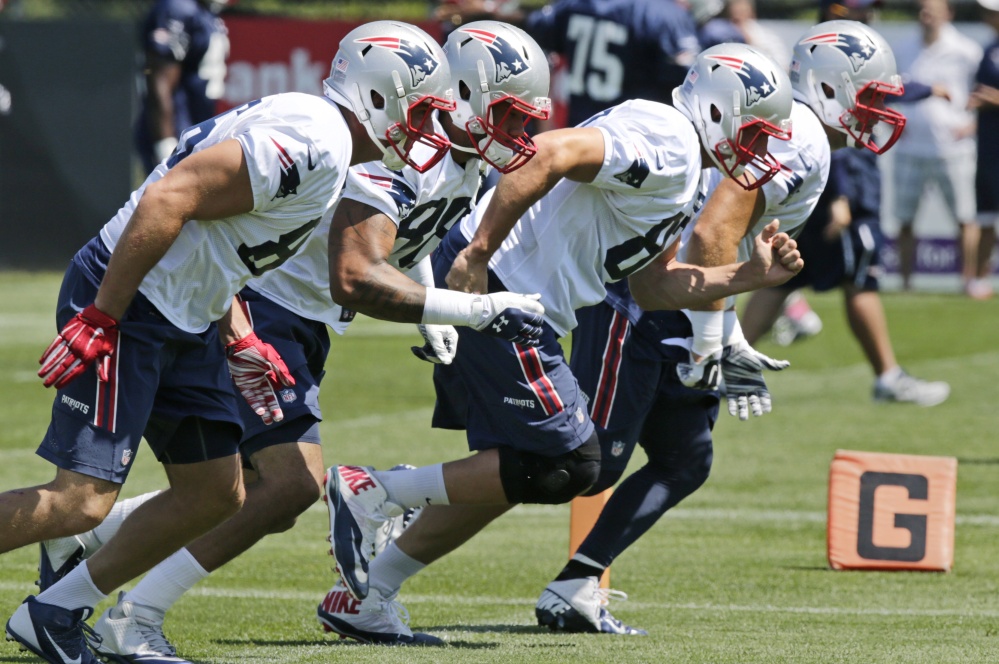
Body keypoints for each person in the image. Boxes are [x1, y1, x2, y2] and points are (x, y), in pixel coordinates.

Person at [37, 21, 554, 656]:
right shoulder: (343, 145)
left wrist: (427, 312)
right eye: (506, 115)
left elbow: (397, 240)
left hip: (254, 310)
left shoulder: (421, 155)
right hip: (255, 305)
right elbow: (352, 273)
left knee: (230, 491)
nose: (517, 135)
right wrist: (466, 312)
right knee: (276, 486)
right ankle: (128, 609)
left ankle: (80, 571)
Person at [318, 43, 801, 642]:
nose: (756, 153)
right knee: (571, 463)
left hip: (520, 296)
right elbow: (549, 150)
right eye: (752, 134)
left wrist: (748, 278)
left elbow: (649, 287)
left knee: (509, 474)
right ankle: (377, 491)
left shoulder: (685, 162)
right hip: (506, 290)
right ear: (716, 109)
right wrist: (477, 254)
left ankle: (367, 595)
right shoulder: (669, 137)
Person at [740, 3, 952, 408]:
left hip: (829, 186)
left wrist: (927, 89)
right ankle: (888, 375)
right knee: (858, 278)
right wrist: (839, 194)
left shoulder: (831, 56)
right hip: (842, 188)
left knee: (785, 276)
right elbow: (826, 126)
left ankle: (725, 360)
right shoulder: (829, 63)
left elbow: (892, 91)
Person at [891, 0, 984, 295]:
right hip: (909, 148)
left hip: (954, 148)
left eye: (932, 9)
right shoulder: (903, 47)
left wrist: (973, 125)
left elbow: (983, 91)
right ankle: (905, 284)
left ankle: (967, 281)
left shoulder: (967, 50)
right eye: (922, 9)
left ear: (949, 14)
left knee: (965, 218)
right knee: (905, 220)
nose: (926, 14)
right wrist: (894, 126)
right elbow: (890, 92)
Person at [524, 0, 701, 127]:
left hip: (579, 134)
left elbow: (537, 30)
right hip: (636, 141)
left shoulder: (573, 7)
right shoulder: (662, 13)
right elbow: (692, 83)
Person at [135, 0, 231, 175]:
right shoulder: (177, 8)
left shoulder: (205, 12)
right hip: (176, 131)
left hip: (194, 130)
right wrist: (166, 145)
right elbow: (159, 79)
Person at [968, 0, 999, 298]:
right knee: (986, 216)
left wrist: (992, 99)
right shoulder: (989, 48)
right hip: (988, 148)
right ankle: (979, 278)